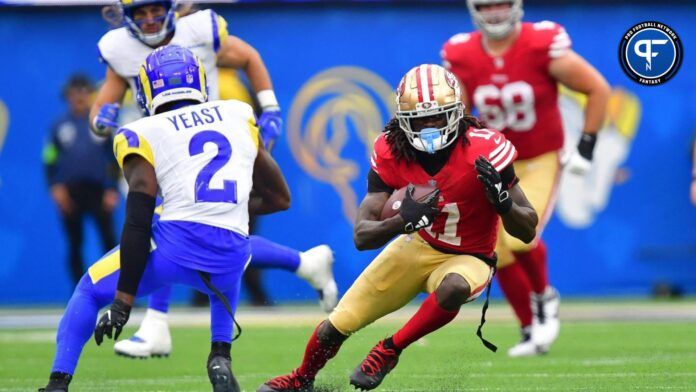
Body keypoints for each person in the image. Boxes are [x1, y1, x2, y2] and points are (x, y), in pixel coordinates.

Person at [257, 64, 538, 392]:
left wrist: (502, 202)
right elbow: (362, 236)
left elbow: (528, 229)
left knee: (453, 288)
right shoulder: (390, 150)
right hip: (418, 246)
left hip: (471, 255)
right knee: (339, 323)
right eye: (421, 119)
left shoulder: (485, 149)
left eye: (438, 116)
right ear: (405, 121)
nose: (430, 125)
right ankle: (301, 379)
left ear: (457, 114)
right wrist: (402, 221)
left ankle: (390, 349)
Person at [89, 0, 338, 359]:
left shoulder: (200, 30)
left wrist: (270, 107)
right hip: (164, 143)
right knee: (185, 228)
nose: (148, 19)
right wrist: (101, 119)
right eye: (139, 13)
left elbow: (249, 57)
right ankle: (303, 264)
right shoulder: (120, 48)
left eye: (154, 9)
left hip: (209, 141)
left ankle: (158, 326)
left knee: (182, 227)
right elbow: (100, 111)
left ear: (172, 8)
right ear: (125, 17)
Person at [40, 45, 289, 392]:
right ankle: (220, 353)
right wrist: (220, 211)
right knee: (230, 244)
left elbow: (138, 221)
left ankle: (57, 383)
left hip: (177, 252)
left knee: (88, 289)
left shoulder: (140, 132)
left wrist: (123, 302)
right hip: (231, 257)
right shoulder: (238, 114)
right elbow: (280, 198)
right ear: (198, 82)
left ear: (148, 88)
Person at [441, 0, 610, 356]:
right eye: (487, 5)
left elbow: (598, 88)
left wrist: (586, 146)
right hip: (496, 162)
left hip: (539, 159)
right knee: (494, 251)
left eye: (502, 3)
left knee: (519, 237)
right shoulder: (462, 52)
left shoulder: (540, 43)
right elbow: (456, 115)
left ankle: (545, 296)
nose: (496, 12)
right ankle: (530, 329)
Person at [43, 74, 120, 286]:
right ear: (67, 96)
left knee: (110, 243)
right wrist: (55, 187)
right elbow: (49, 159)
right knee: (75, 243)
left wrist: (112, 189)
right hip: (70, 192)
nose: (79, 96)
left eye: (84, 91)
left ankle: (119, 293)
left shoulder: (101, 125)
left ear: (91, 94)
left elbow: (114, 159)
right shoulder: (59, 127)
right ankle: (79, 296)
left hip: (98, 191)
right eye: (74, 92)